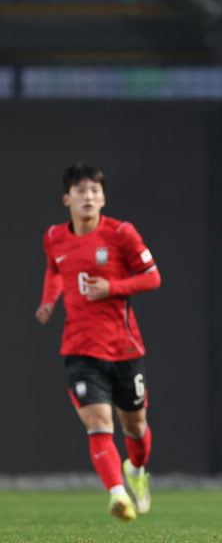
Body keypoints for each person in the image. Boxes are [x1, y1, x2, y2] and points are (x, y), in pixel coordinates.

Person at [36, 163, 161, 522]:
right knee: (98, 422)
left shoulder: (122, 233)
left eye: (94, 190)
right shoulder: (54, 237)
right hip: (79, 348)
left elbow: (152, 277)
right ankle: (117, 494)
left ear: (103, 197)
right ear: (67, 198)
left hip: (124, 348)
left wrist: (112, 288)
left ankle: (136, 472)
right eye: (80, 190)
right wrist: (50, 299)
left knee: (135, 428)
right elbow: (55, 269)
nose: (88, 197)